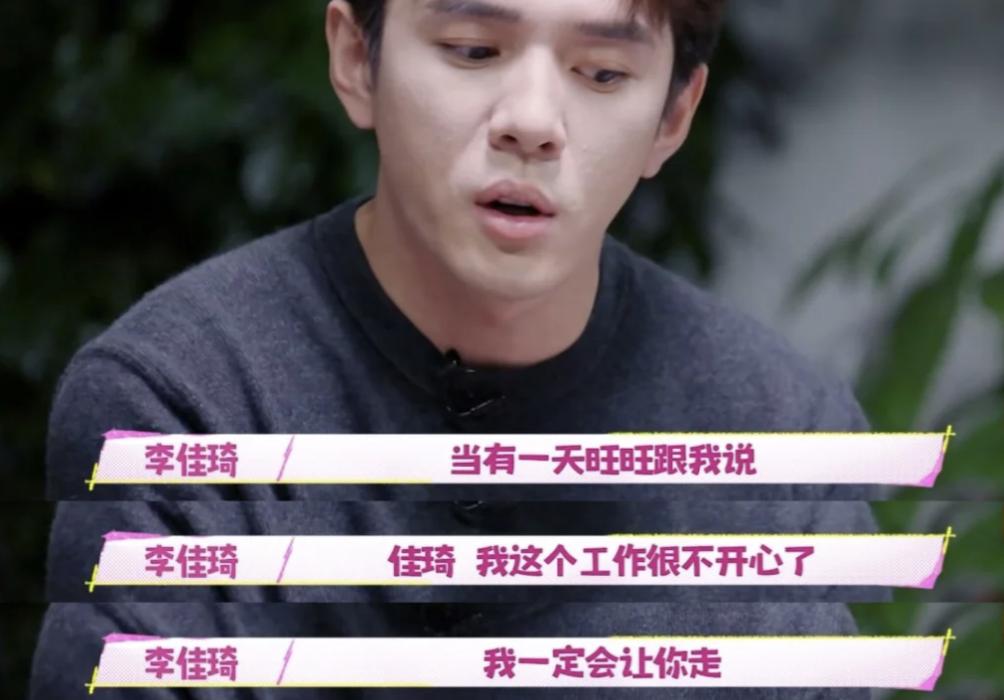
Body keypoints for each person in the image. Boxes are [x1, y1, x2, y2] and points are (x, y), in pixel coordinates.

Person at [32, 1, 889, 697]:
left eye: (602, 72)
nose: (533, 123)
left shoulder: (785, 438)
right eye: (474, 50)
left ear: (673, 117)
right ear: (355, 60)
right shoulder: (183, 404)